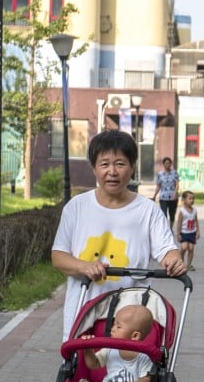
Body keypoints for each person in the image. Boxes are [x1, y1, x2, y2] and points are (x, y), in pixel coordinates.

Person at [52, 130, 185, 341]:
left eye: (120, 164)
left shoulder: (148, 210)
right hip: (83, 312)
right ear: (94, 168)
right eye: (104, 164)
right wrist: (84, 267)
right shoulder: (76, 208)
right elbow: (58, 256)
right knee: (79, 371)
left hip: (131, 318)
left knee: (131, 373)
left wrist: (174, 260)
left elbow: (167, 250)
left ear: (132, 167)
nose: (112, 171)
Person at [79, 304, 154, 382]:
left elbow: (146, 380)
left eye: (118, 326)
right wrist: (88, 349)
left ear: (135, 336)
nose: (112, 329)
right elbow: (93, 364)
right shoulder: (110, 349)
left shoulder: (144, 356)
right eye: (113, 324)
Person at [174, 190, 198, 271]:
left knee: (191, 248)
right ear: (184, 200)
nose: (192, 200)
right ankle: (181, 261)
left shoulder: (194, 210)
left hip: (192, 232)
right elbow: (179, 223)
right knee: (184, 247)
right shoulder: (182, 211)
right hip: (184, 233)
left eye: (193, 199)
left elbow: (196, 221)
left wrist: (198, 231)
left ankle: (189, 264)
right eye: (190, 198)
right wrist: (178, 234)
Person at [153, 157, 179, 228]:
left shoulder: (175, 173)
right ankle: (165, 228)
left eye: (169, 163)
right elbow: (158, 186)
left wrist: (175, 193)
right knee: (164, 214)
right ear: (163, 164)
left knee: (172, 214)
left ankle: (170, 228)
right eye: (166, 163)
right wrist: (154, 196)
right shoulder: (160, 174)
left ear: (171, 164)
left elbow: (177, 184)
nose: (167, 164)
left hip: (173, 197)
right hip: (163, 198)